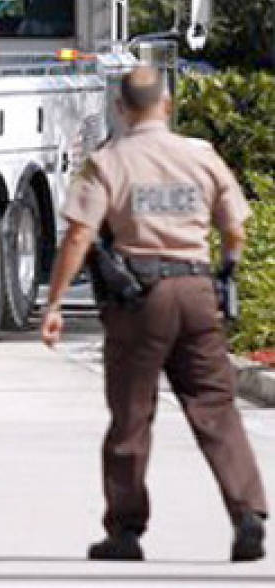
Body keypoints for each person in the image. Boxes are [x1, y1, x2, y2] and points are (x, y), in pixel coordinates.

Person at [41, 65, 267, 562]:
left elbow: (80, 234)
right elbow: (235, 227)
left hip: (140, 300)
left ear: (121, 109)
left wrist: (55, 302)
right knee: (215, 405)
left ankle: (125, 532)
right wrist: (224, 274)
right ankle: (247, 511)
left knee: (131, 414)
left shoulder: (108, 163)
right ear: (166, 104)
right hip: (196, 288)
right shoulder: (200, 156)